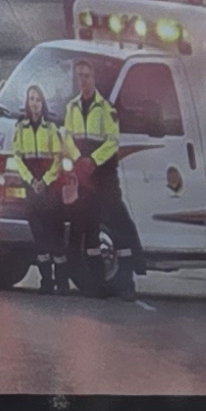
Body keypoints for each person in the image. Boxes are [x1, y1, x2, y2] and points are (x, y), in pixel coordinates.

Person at [65, 72, 128, 276]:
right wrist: (77, 158)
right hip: (82, 177)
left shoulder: (106, 108)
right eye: (80, 77)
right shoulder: (71, 107)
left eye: (87, 76)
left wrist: (92, 160)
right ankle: (94, 280)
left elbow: (112, 142)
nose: (83, 80)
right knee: (86, 230)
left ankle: (126, 282)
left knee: (118, 226)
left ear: (94, 79)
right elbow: (67, 137)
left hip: (104, 176)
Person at [9, 85, 72, 278]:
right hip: (31, 185)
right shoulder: (20, 128)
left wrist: (44, 181)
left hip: (50, 187)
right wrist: (30, 180)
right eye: (31, 99)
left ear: (42, 103)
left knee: (55, 232)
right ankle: (46, 280)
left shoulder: (51, 127)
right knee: (38, 234)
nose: (34, 103)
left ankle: (61, 280)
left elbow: (57, 159)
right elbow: (17, 157)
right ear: (27, 103)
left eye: (38, 99)